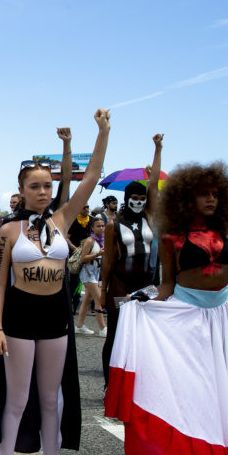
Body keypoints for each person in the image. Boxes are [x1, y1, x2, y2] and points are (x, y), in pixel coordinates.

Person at [105, 107, 228, 455]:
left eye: (216, 194)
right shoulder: (170, 239)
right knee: (191, 394)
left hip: (223, 318)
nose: (213, 199)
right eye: (205, 193)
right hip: (186, 320)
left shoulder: (221, 226)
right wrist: (142, 305)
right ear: (187, 197)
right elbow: (166, 285)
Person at [0, 109, 111, 455]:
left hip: (55, 320)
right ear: (22, 190)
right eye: (34, 187)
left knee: (50, 398)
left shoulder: (61, 220)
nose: (42, 192)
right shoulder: (9, 231)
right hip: (21, 320)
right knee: (18, 399)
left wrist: (102, 132)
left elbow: (90, 177)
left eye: (47, 186)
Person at [99, 134, 163, 386]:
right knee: (116, 334)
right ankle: (109, 384)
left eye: (142, 198)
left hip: (147, 284)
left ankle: (140, 384)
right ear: (127, 200)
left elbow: (155, 183)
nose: (139, 202)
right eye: (134, 199)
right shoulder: (114, 225)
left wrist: (157, 149)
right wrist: (104, 290)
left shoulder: (150, 217)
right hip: (121, 285)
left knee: (144, 335)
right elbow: (108, 260)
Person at [73, 217, 106, 335]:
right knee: (99, 299)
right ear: (92, 228)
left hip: (96, 271)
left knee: (87, 300)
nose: (101, 228)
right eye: (98, 226)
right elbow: (82, 259)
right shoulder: (89, 241)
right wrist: (98, 254)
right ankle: (103, 328)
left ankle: (79, 325)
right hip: (88, 271)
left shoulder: (102, 240)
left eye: (103, 226)